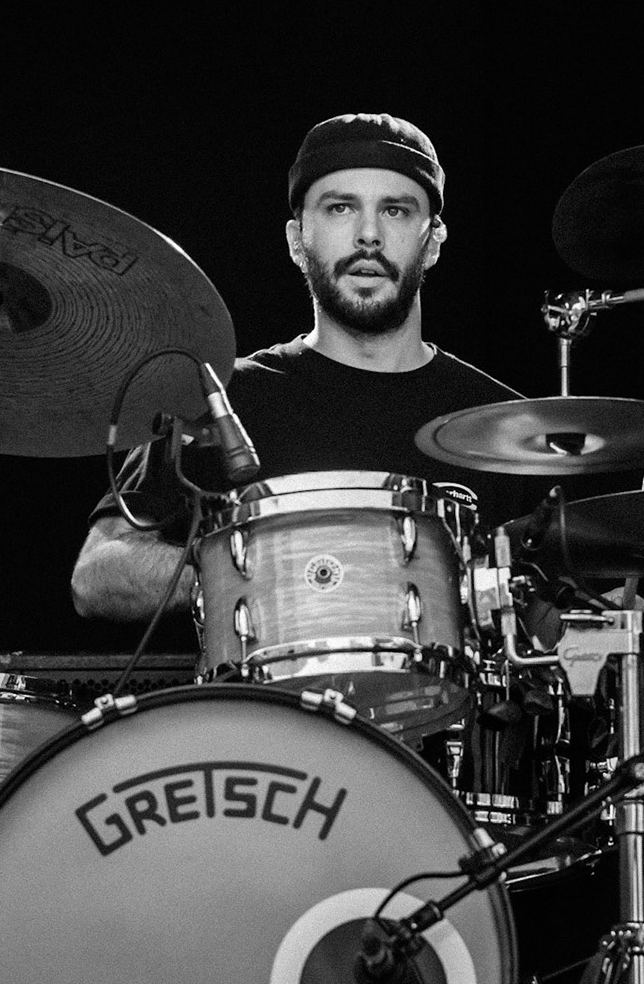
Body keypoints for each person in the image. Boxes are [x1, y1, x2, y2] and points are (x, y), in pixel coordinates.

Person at [71, 111, 542, 626]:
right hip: (263, 707)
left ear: (432, 243)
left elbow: (558, 618)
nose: (369, 235)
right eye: (341, 208)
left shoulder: (506, 427)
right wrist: (251, 571)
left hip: (449, 705)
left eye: (396, 211)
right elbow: (97, 575)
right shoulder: (221, 400)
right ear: (298, 241)